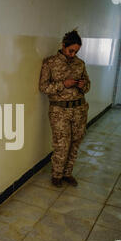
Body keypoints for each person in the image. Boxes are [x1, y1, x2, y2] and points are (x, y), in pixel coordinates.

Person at [39, 29, 90, 187]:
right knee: (62, 144)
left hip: (79, 109)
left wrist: (83, 86)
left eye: (76, 51)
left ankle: (68, 173)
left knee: (75, 142)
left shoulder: (80, 64)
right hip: (59, 111)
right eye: (71, 50)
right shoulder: (50, 63)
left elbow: (88, 86)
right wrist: (63, 84)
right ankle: (57, 175)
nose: (73, 54)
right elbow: (43, 87)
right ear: (63, 45)